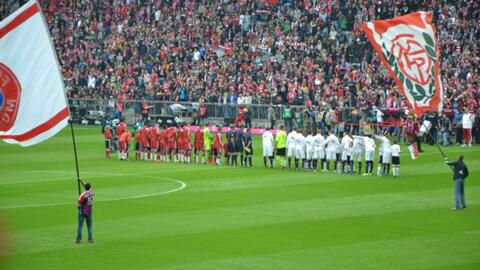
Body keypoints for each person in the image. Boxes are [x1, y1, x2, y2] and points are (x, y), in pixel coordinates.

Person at [76, 179, 94, 244]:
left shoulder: (82, 195)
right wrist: (81, 181)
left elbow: (78, 204)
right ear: (90, 187)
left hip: (82, 212)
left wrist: (79, 207)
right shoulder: (91, 192)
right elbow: (86, 186)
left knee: (80, 226)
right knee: (89, 226)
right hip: (89, 211)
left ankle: (79, 239)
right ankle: (90, 239)